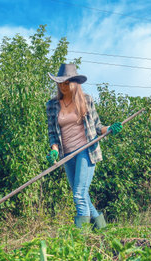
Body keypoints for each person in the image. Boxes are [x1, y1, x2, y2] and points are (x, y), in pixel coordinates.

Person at [45, 63, 122, 229]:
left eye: (67, 83)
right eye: (60, 83)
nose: (63, 86)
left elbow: (97, 126)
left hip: (86, 151)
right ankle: (102, 230)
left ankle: (82, 238)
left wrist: (109, 129)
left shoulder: (86, 100)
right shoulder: (52, 105)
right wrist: (54, 152)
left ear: (75, 83)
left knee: (79, 194)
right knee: (82, 195)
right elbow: (53, 134)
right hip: (67, 154)